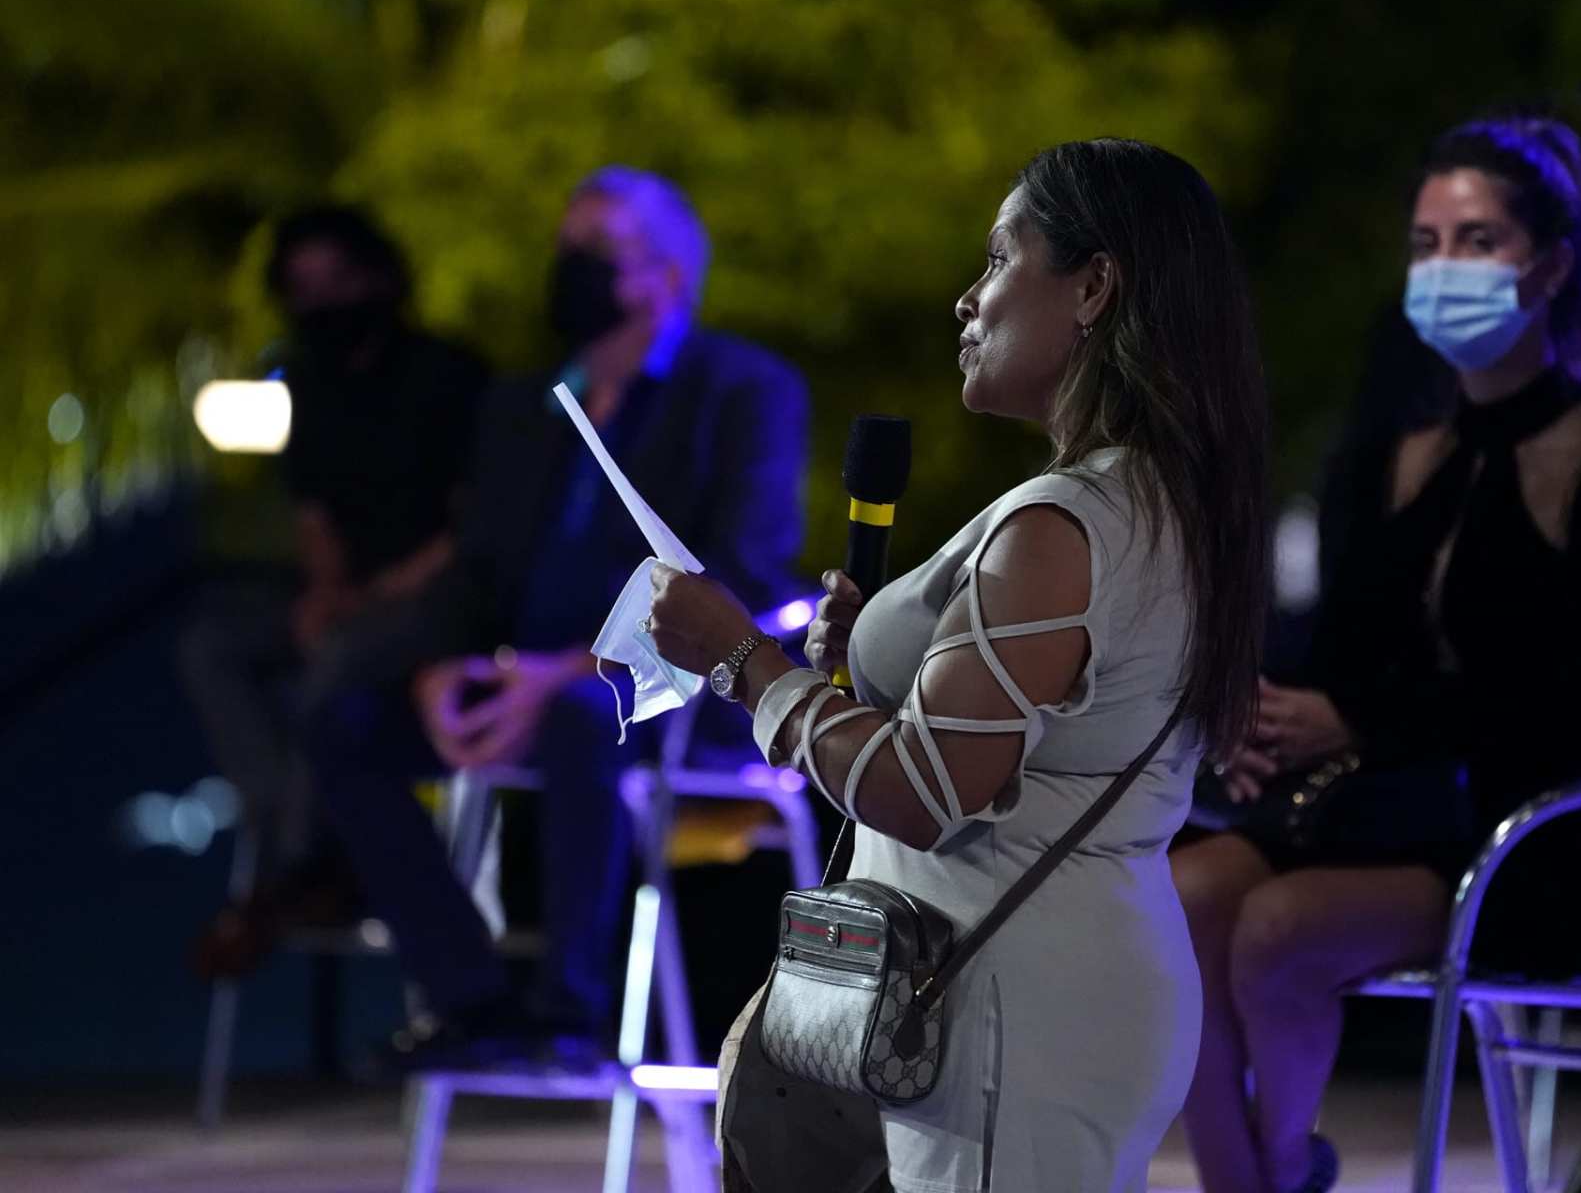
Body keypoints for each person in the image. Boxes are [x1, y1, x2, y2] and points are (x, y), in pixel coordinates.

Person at [647, 138, 1268, 1193]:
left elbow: (930, 791)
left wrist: (741, 660)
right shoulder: (1166, 506)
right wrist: (876, 666)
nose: (965, 300)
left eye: (996, 258)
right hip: (1045, 990)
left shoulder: (1064, 522)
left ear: (1093, 286)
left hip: (1006, 1013)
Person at [1170, 118, 1581, 1193]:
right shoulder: (1393, 455)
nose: (1445, 267)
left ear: (1548, 266)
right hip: (1381, 804)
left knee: (1273, 931)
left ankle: (1265, 1176)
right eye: (1427, 241)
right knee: (1174, 904)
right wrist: (1264, 718)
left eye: (1478, 240)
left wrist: (1362, 722)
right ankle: (1255, 1182)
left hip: (1538, 834)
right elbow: (1348, 658)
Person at [305, 167, 808, 1065]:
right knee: (344, 725)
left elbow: (739, 569)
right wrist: (443, 673)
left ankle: (567, 1016)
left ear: (668, 275)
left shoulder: (742, 390)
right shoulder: (522, 405)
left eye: (598, 252)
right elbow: (476, 568)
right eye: (565, 248)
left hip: (666, 696)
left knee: (586, 719)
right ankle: (475, 1002)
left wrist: (566, 672)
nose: (570, 268)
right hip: (516, 685)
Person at [181, 205, 488, 968]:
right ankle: (301, 848)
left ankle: (300, 870)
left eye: (337, 281)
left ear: (378, 278)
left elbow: (475, 526)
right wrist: (324, 593)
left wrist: (371, 595)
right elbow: (314, 512)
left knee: (340, 661)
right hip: (352, 599)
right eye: (303, 287)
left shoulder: (451, 376)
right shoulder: (310, 384)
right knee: (213, 645)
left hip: (437, 600)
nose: (323, 304)